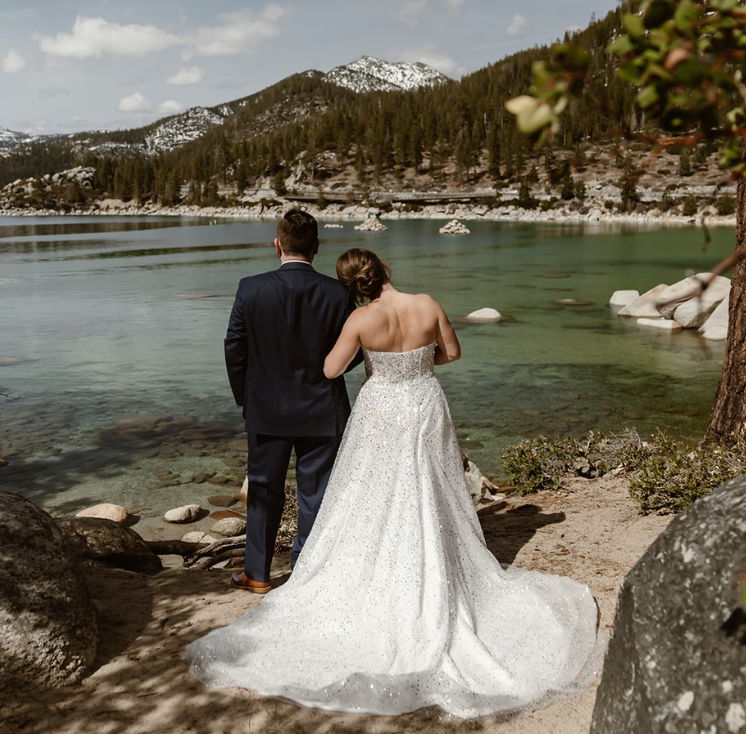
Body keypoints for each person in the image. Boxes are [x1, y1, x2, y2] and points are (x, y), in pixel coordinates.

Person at [187, 248, 598, 718]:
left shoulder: (361, 321)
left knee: (373, 491)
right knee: (429, 486)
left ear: (352, 286)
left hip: (381, 408)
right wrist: (416, 368)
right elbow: (453, 352)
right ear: (385, 271)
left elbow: (330, 370)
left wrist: (376, 365)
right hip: (424, 402)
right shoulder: (427, 303)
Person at [223, 209, 361, 594]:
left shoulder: (250, 288)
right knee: (315, 493)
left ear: (277, 244)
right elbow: (354, 352)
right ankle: (305, 575)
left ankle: (259, 575)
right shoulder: (338, 293)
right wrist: (329, 377)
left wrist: (245, 397)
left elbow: (234, 347)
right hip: (322, 408)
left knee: (263, 493)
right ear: (316, 248)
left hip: (266, 410)